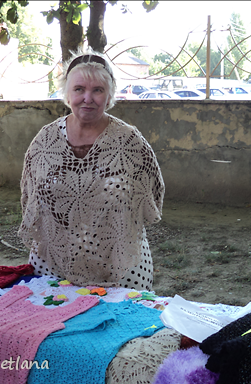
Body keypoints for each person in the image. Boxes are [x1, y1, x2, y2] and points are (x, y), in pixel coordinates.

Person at [19, 50, 164, 291]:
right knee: (57, 324)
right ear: (67, 94)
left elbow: (152, 194)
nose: (88, 98)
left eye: (98, 90)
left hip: (121, 263)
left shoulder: (129, 141)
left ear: (109, 96)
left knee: (122, 326)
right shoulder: (45, 141)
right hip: (53, 261)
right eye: (79, 89)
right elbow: (30, 196)